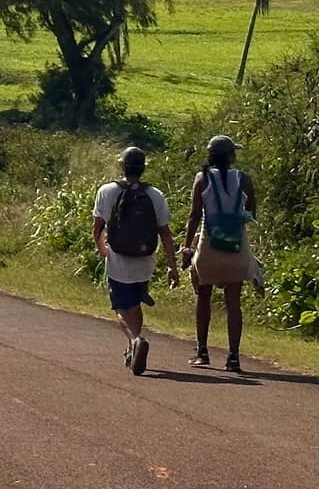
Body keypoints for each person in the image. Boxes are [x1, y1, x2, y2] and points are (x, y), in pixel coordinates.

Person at [91, 146, 179, 376]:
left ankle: (135, 339)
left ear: (122, 166)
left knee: (121, 306)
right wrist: (172, 266)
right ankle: (133, 349)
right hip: (145, 259)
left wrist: (102, 249)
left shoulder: (106, 190)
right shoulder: (155, 194)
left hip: (118, 257)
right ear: (143, 168)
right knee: (135, 302)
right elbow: (165, 233)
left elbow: (98, 227)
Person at [184, 134, 258, 373]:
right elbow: (251, 213)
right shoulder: (243, 179)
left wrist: (187, 247)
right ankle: (233, 357)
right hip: (236, 247)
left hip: (208, 246)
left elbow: (195, 215)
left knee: (203, 297)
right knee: (233, 301)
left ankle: (202, 352)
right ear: (231, 156)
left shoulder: (202, 178)